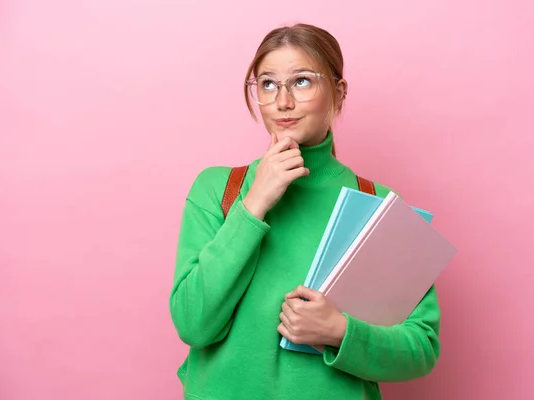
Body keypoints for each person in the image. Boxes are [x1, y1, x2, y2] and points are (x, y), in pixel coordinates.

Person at [169, 23, 441, 400]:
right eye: (267, 84)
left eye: (301, 82)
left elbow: (421, 349)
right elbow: (193, 324)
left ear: (338, 92)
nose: (282, 102)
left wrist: (339, 331)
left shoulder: (376, 202)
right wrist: (255, 205)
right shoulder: (219, 190)